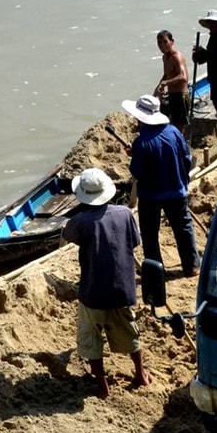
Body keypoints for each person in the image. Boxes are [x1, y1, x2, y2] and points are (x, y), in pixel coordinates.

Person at [61, 168, 148, 399]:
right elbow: (134, 243)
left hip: (93, 293)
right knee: (130, 333)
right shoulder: (125, 214)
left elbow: (68, 236)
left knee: (91, 339)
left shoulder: (79, 222)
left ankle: (103, 386)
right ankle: (140, 374)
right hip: (123, 290)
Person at [123, 93, 198, 276]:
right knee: (183, 227)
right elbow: (186, 159)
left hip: (151, 195)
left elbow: (137, 172)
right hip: (177, 190)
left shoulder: (141, 142)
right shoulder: (174, 132)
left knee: (150, 234)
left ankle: (156, 270)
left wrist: (135, 156)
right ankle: (192, 266)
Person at [153, 30, 190, 131]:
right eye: (159, 42)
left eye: (165, 42)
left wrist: (166, 83)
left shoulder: (176, 57)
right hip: (172, 95)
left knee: (179, 127)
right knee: (171, 124)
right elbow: (167, 74)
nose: (162, 45)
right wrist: (159, 86)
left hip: (180, 96)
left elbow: (183, 77)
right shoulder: (165, 57)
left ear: (172, 41)